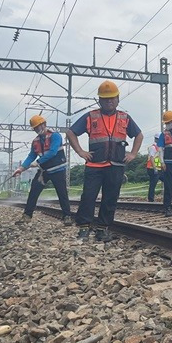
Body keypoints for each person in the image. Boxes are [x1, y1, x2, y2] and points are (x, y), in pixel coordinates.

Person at [66, 80, 143, 242]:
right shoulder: (91, 116)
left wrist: (133, 154)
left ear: (118, 99)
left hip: (116, 165)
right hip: (94, 165)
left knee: (110, 198)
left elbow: (139, 135)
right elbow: (71, 132)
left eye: (112, 98)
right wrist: (80, 151)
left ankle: (102, 229)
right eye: (105, 98)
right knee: (88, 196)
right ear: (99, 100)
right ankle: (84, 228)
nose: (109, 101)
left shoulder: (125, 117)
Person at [13, 115, 72, 225]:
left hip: (58, 170)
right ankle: (27, 215)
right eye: (35, 128)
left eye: (38, 126)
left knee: (62, 193)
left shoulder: (56, 136)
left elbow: (53, 151)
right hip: (44, 171)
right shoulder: (36, 141)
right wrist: (21, 169)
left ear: (44, 124)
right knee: (34, 192)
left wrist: (38, 162)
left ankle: (67, 216)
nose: (37, 129)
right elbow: (31, 156)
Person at [146, 133, 163, 202]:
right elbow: (152, 158)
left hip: (158, 169)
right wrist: (155, 168)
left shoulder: (159, 148)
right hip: (152, 168)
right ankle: (151, 199)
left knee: (167, 180)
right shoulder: (153, 147)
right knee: (153, 184)